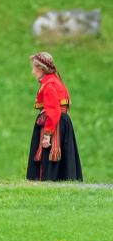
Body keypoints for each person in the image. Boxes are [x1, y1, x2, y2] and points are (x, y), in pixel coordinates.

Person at [26, 52, 82, 181]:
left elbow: (53, 111)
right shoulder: (54, 80)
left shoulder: (49, 85)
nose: (33, 72)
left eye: (34, 68)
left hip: (55, 124)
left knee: (49, 156)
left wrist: (47, 135)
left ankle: (49, 179)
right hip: (61, 121)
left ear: (41, 69)